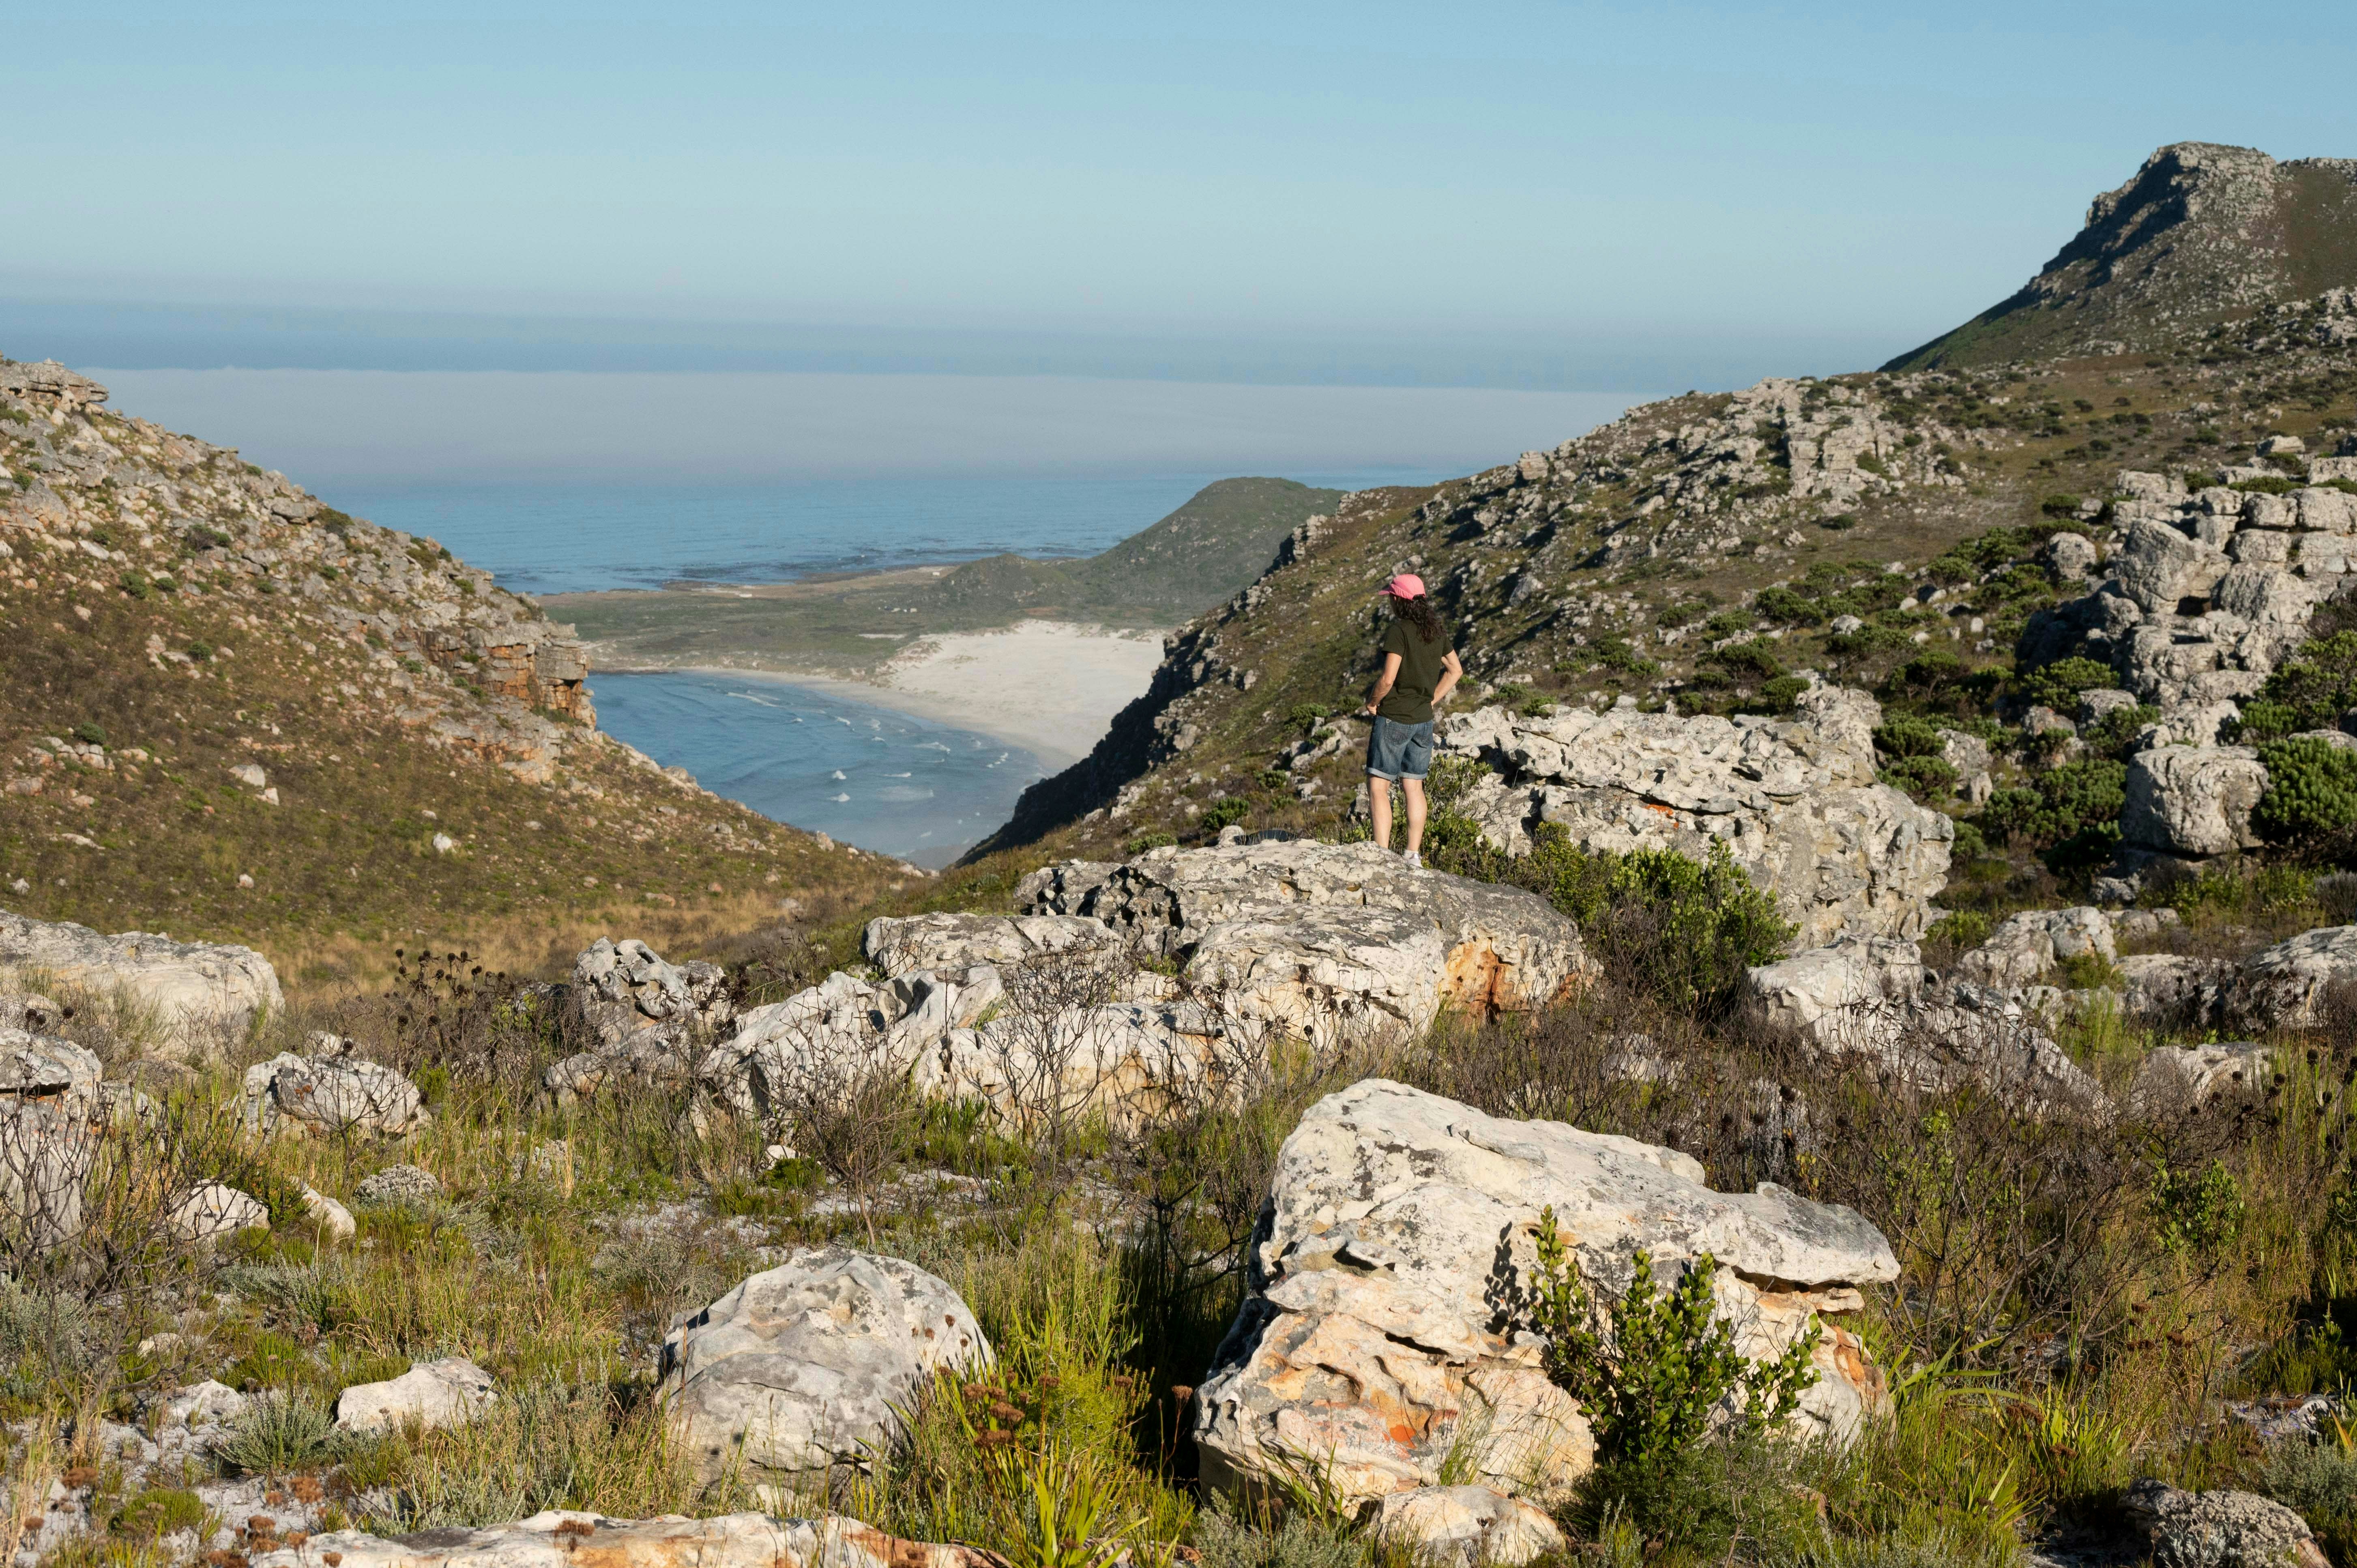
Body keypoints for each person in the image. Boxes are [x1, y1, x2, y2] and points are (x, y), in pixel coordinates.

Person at [1359, 573, 1462, 868]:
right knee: (1414, 787)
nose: (1390, 601)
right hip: (1423, 722)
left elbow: (1388, 679)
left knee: (1379, 787)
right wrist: (1431, 700)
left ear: (1399, 600)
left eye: (1392, 597)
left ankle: (1381, 856)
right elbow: (1455, 670)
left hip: (1394, 718)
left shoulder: (1399, 631)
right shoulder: (1436, 631)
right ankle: (1413, 855)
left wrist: (1373, 702)